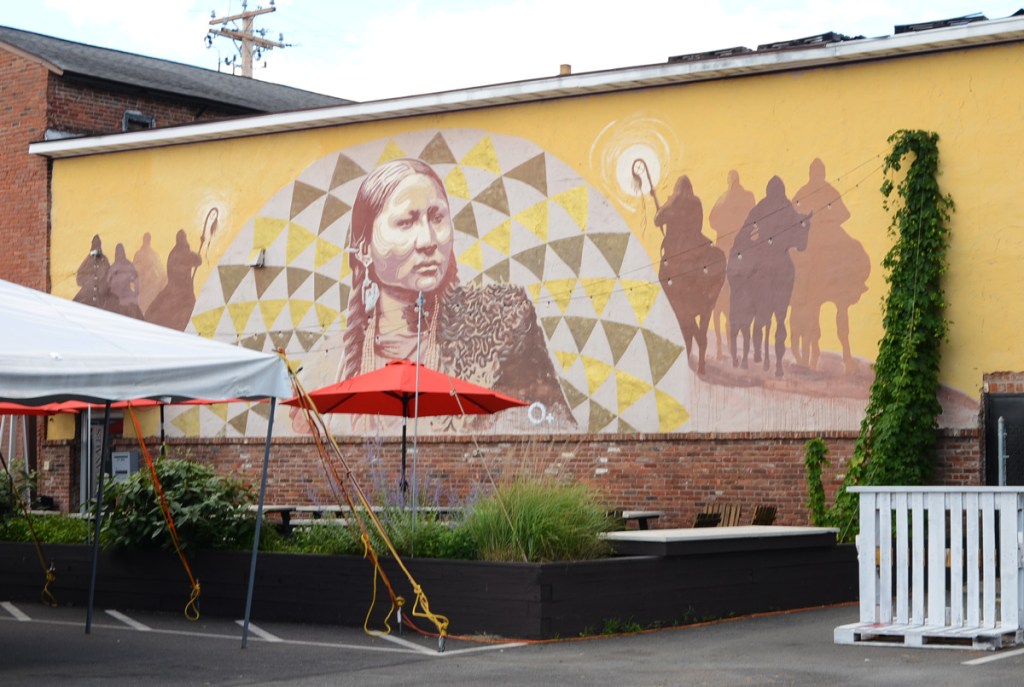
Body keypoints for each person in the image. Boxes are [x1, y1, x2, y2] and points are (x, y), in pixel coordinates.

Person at [339, 158, 572, 428]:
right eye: (406, 222)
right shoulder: (337, 360)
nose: (428, 241)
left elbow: (553, 433)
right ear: (365, 248)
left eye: (437, 218)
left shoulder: (498, 326)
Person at [106, 242, 144, 319]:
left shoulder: (113, 267)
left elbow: (107, 283)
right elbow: (137, 282)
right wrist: (136, 294)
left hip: (118, 299)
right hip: (125, 298)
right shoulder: (129, 265)